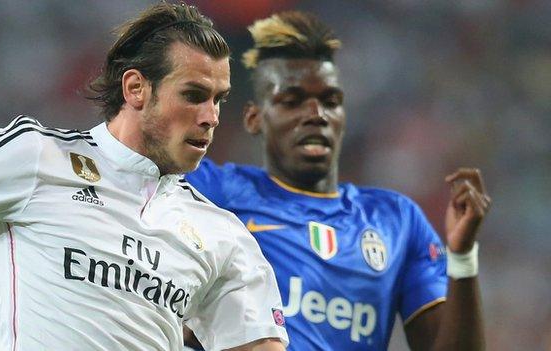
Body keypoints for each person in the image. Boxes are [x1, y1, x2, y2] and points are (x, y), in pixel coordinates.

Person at [0, 3, 288, 351]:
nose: (211, 117)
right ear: (136, 89)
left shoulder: (224, 236)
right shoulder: (35, 156)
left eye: (218, 99)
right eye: (193, 95)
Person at [185, 11, 491, 350]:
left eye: (330, 101)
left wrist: (462, 257)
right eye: (292, 101)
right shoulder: (213, 191)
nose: (316, 114)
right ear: (255, 118)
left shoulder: (397, 221)